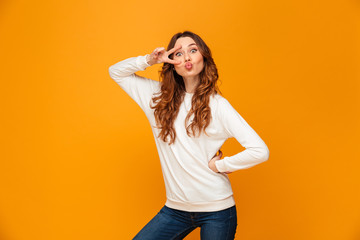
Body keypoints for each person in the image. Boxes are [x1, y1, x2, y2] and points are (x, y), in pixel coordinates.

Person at [108, 30, 270, 240]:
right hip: (175, 210)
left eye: (193, 50)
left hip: (217, 210)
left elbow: (260, 151)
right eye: (178, 53)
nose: (186, 57)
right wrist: (150, 59)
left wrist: (220, 166)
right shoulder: (157, 98)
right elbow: (115, 71)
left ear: (203, 56)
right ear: (172, 63)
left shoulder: (218, 106)